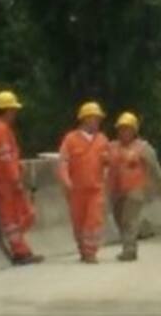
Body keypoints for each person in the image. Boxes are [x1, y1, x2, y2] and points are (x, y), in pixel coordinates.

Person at [0, 91, 43, 266]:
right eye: (13, 110)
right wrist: (15, 177)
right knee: (14, 219)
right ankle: (20, 252)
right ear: (7, 111)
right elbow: (5, 157)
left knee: (18, 218)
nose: (15, 114)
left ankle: (22, 250)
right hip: (6, 181)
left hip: (6, 179)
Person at [108, 111, 161, 262]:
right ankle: (130, 244)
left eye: (127, 129)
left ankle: (129, 250)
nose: (124, 132)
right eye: (121, 129)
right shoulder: (112, 147)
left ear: (134, 131)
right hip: (116, 191)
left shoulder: (143, 148)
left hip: (136, 190)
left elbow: (155, 169)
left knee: (130, 219)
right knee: (120, 219)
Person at [58, 101, 110, 263]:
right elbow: (63, 161)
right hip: (76, 190)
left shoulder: (102, 139)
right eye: (94, 118)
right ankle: (82, 248)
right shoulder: (70, 139)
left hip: (96, 189)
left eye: (98, 119)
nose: (97, 122)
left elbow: (108, 163)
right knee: (78, 221)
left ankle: (90, 252)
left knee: (94, 221)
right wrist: (66, 180)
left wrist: (107, 166)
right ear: (85, 119)